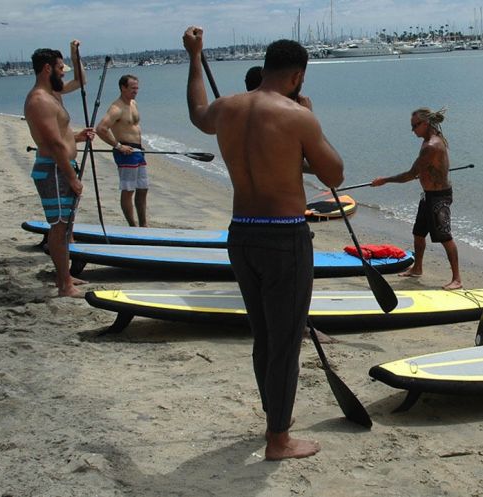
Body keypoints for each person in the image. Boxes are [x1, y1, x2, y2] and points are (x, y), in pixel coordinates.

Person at [183, 27, 343, 460]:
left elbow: (198, 112)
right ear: (296, 77)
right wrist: (311, 117)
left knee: (264, 336)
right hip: (284, 235)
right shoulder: (297, 114)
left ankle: (276, 416)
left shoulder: (228, 107)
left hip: (241, 232)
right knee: (286, 341)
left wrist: (195, 56)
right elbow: (334, 175)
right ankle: (279, 439)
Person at [23, 40, 94, 298]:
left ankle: (66, 276)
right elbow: (52, 144)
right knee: (59, 226)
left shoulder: (53, 93)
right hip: (54, 169)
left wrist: (75, 56)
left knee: (66, 225)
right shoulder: (39, 100)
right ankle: (64, 285)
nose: (64, 72)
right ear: (46, 69)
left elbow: (81, 81)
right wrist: (72, 177)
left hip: (60, 166)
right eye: (60, 67)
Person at [371, 107, 462, 290]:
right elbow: (425, 169)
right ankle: (417, 268)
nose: (413, 130)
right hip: (428, 195)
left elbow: (410, 174)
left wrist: (385, 180)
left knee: (444, 237)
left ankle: (457, 279)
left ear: (425, 123)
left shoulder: (431, 146)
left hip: (439, 197)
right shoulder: (428, 140)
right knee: (419, 233)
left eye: (415, 126)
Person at [95, 74, 148, 227]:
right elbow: (101, 129)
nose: (136, 91)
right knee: (128, 189)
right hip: (126, 152)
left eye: (137, 88)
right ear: (123, 88)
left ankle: (143, 224)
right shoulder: (116, 108)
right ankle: (133, 225)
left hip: (138, 151)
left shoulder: (133, 103)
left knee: (143, 188)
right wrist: (118, 146)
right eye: (132, 88)